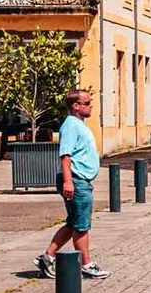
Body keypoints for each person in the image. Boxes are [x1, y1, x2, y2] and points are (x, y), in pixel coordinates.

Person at [37, 88, 104, 279]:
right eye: (87, 103)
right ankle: (86, 264)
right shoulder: (71, 125)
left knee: (73, 222)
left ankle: (47, 257)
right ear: (76, 106)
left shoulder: (78, 124)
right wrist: (68, 182)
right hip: (76, 180)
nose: (90, 106)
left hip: (81, 179)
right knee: (81, 225)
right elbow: (65, 156)